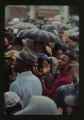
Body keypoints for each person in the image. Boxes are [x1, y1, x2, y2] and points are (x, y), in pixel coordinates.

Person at [9, 38, 43, 108]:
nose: (14, 63)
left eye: (17, 61)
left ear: (24, 64)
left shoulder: (15, 85)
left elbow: (12, 110)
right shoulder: (37, 80)